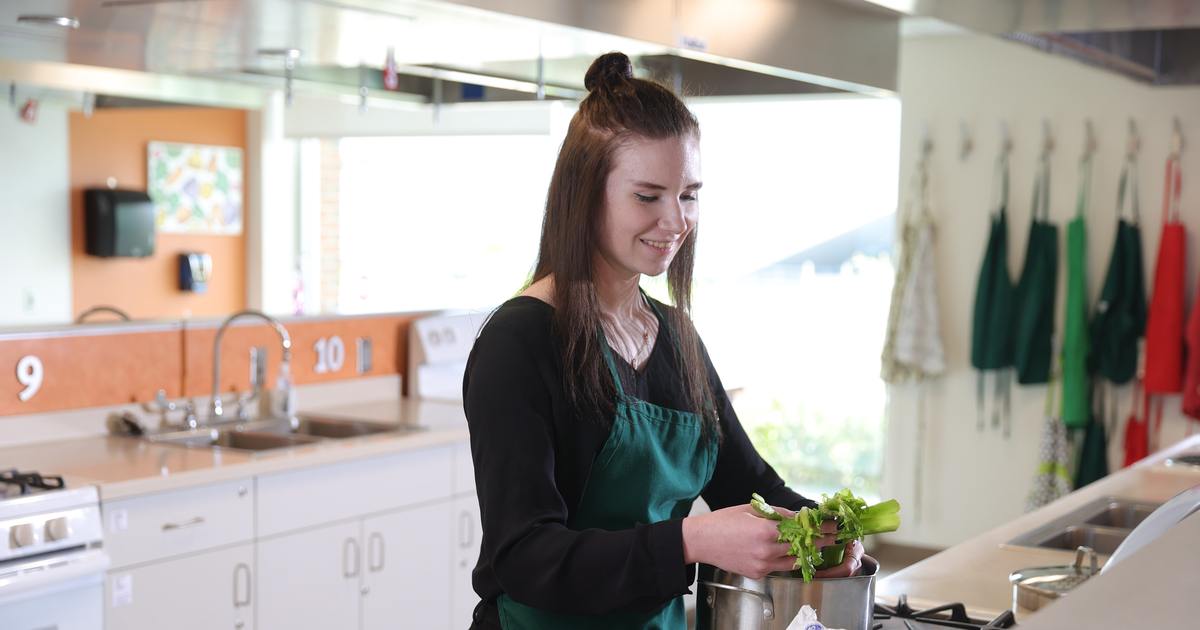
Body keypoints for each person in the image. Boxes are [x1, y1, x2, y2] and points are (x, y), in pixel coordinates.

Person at [463, 51, 866, 630]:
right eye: (648, 197)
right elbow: (527, 557)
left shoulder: (676, 336)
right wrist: (690, 539)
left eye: (689, 194)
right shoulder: (518, 342)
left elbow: (750, 486)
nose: (676, 222)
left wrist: (827, 529)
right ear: (585, 195)